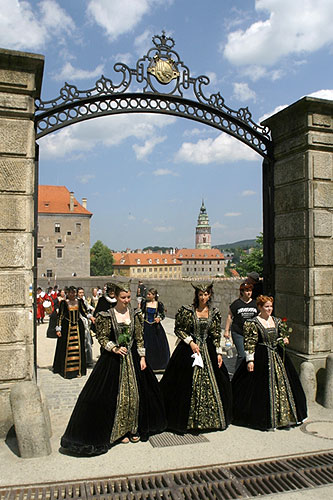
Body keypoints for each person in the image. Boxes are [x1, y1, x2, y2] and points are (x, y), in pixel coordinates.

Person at [60, 282, 166, 456]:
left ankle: (133, 428)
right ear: (116, 297)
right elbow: (102, 337)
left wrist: (142, 357)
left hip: (132, 358)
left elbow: (139, 337)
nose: (126, 301)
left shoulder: (135, 314)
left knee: (137, 395)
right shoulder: (107, 315)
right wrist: (114, 348)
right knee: (113, 397)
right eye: (123, 297)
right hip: (114, 359)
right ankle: (119, 431)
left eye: (128, 297)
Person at [160, 282, 232, 433]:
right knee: (183, 384)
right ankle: (187, 420)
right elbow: (179, 329)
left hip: (208, 349)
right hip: (189, 349)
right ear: (196, 295)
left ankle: (211, 419)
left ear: (210, 295)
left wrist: (218, 353)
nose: (203, 297)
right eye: (201, 294)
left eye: (206, 294)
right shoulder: (187, 310)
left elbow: (215, 335)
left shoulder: (214, 312)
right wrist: (190, 342)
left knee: (217, 382)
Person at [232, 295, 307, 431]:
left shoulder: (277, 321)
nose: (269, 309)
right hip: (262, 355)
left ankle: (285, 417)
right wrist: (250, 360)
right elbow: (250, 342)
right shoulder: (253, 323)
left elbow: (280, 335)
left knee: (286, 384)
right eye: (266, 306)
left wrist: (283, 339)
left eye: (271, 306)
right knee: (260, 388)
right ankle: (264, 417)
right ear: (260, 307)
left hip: (277, 355)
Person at [53, 286, 90, 379]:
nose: (72, 294)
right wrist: (58, 329)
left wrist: (92, 318)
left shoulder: (80, 302)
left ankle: (78, 370)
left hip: (78, 327)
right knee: (67, 348)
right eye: (70, 293)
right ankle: (67, 371)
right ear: (67, 293)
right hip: (67, 328)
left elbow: (85, 312)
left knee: (79, 348)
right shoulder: (63, 303)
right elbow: (60, 316)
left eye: (73, 293)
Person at [224, 282, 258, 371]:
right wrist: (226, 330)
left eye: (250, 290)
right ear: (242, 292)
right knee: (242, 355)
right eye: (246, 291)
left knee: (252, 355)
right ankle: (238, 375)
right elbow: (229, 316)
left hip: (252, 334)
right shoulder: (236, 304)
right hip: (238, 332)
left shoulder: (255, 304)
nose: (249, 293)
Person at [141, 288, 170, 372]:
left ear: (154, 295)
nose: (147, 296)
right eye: (147, 294)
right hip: (146, 325)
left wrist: (159, 318)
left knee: (158, 345)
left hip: (155, 327)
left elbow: (162, 314)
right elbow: (141, 312)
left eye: (149, 294)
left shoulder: (159, 304)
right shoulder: (145, 303)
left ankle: (158, 365)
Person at [77, 287, 96, 367]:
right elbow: (83, 312)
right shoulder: (77, 301)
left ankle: (88, 360)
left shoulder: (84, 300)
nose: (81, 294)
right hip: (80, 321)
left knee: (87, 342)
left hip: (86, 322)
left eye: (82, 292)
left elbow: (88, 307)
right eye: (80, 292)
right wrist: (90, 317)